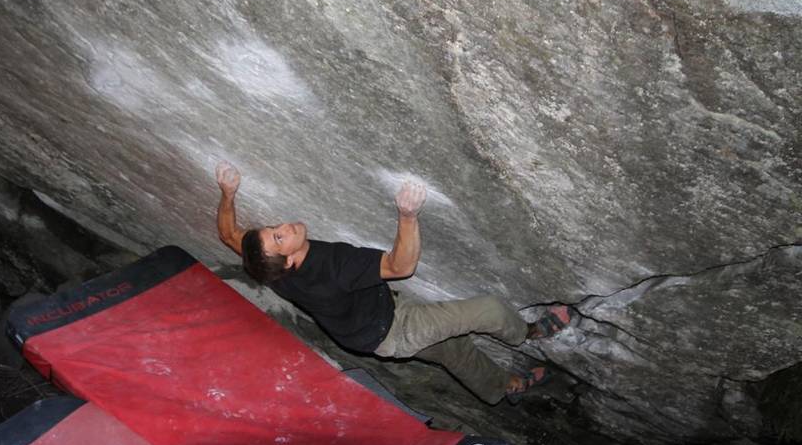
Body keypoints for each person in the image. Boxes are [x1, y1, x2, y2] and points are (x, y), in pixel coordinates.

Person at [214, 161, 572, 405]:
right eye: (279, 237)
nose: (283, 227)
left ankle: (505, 387)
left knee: (453, 349)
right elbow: (401, 266)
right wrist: (408, 215)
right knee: (489, 310)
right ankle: (527, 333)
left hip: (369, 328)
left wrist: (228, 192)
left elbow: (230, 235)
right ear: (290, 260)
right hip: (394, 329)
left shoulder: (271, 269)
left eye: (273, 229)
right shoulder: (336, 269)